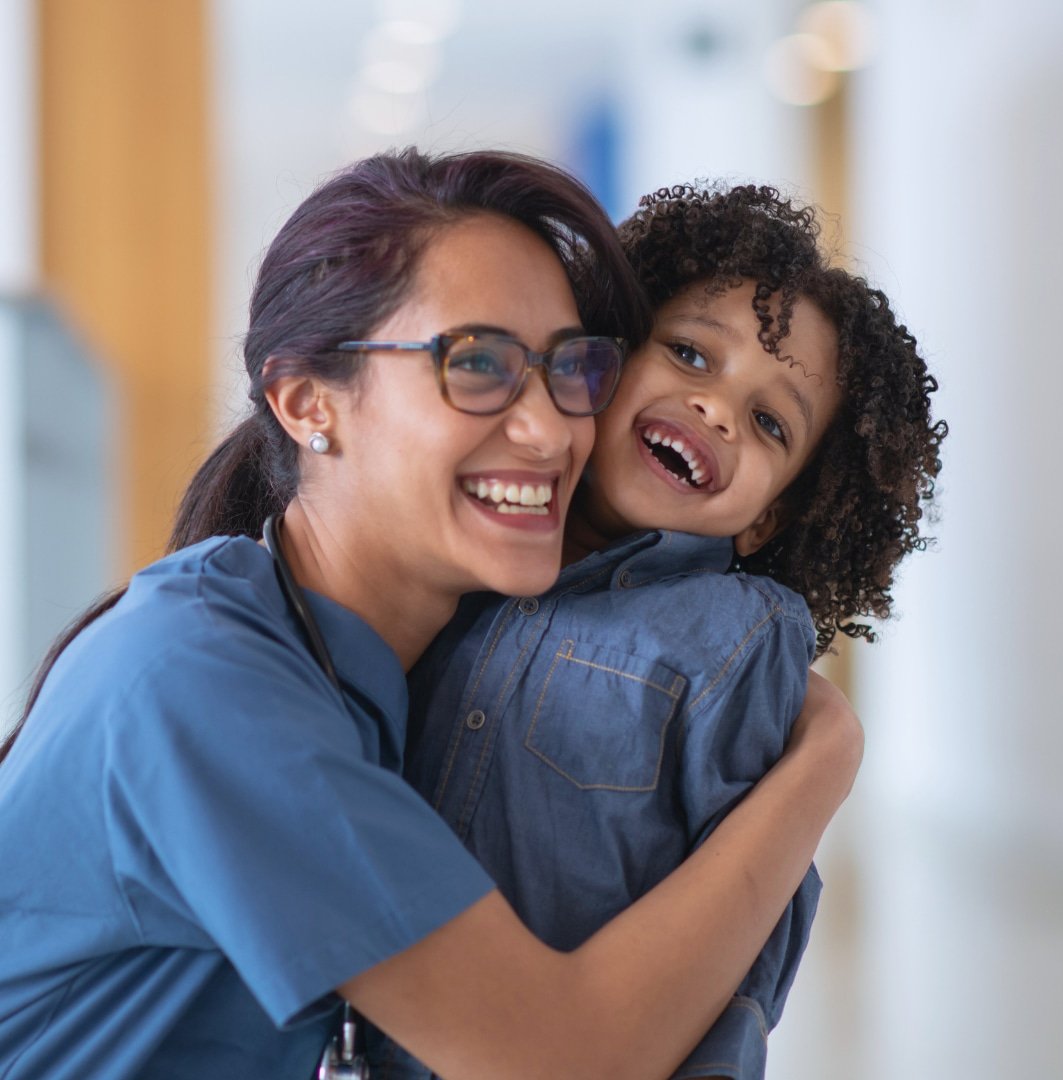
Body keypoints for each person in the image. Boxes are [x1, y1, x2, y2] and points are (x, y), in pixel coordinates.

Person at [0, 152, 861, 1080]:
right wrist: (823, 766)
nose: (548, 429)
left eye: (569, 369)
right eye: (477, 363)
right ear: (306, 402)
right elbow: (561, 1058)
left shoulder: (386, 678)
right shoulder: (202, 681)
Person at [365, 183, 946, 1079]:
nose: (716, 409)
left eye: (768, 422)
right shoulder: (465, 546)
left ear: (767, 520)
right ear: (600, 357)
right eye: (688, 353)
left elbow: (737, 947)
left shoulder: (738, 639)